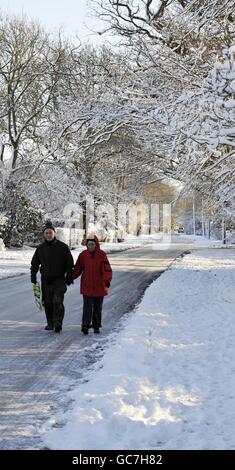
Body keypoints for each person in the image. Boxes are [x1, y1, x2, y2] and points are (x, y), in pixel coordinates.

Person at [30, 222, 74, 332]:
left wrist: (69, 275)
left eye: (50, 232)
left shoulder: (63, 247)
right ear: (43, 234)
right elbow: (35, 263)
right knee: (48, 302)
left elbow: (69, 262)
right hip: (45, 280)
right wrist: (33, 275)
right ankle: (50, 323)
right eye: (46, 233)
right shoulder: (40, 248)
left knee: (57, 301)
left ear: (54, 233)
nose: (49, 235)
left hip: (59, 279)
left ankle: (57, 323)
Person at [73, 234, 112, 335]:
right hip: (87, 285)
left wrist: (107, 279)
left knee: (97, 308)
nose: (90, 246)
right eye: (89, 244)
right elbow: (78, 268)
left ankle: (96, 326)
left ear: (96, 244)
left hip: (100, 286)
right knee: (87, 307)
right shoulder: (83, 255)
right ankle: (85, 326)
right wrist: (71, 277)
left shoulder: (102, 255)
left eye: (92, 244)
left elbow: (107, 268)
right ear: (86, 245)